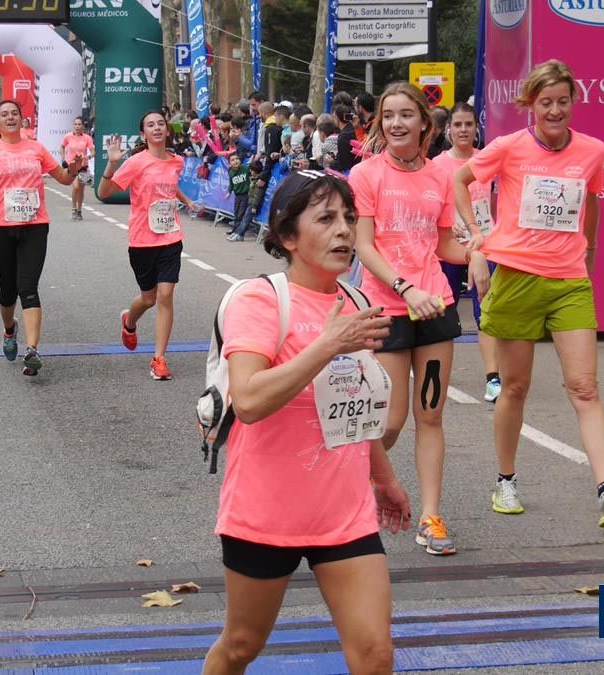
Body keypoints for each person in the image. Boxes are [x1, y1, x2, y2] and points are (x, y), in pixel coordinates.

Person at [202, 169, 408, 675]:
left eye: (348, 218)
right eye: (326, 219)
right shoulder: (262, 300)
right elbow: (248, 400)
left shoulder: (358, 303)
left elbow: (354, 409)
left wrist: (384, 479)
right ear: (288, 236)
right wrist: (328, 345)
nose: (344, 231)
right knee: (242, 646)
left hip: (343, 514)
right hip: (266, 512)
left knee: (375, 652)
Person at [453, 59, 604, 528]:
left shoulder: (593, 150)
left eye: (562, 101)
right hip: (517, 277)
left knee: (585, 387)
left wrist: (591, 250)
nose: (555, 111)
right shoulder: (510, 147)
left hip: (568, 281)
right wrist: (477, 233)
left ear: (573, 102)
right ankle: (506, 480)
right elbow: (460, 180)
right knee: (514, 387)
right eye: (545, 102)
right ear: (530, 105)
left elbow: (591, 199)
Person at [352, 83, 484, 557]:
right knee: (391, 418)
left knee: (430, 415)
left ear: (425, 124)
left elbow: (443, 243)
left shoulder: (440, 178)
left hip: (437, 309)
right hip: (387, 310)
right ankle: (357, 483)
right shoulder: (365, 175)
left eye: (406, 115)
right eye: (388, 116)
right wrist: (405, 287)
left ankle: (431, 516)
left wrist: (478, 253)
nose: (396, 124)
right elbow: (364, 246)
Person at [0, 100, 85, 376]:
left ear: (22, 120)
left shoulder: (35, 147)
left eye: (15, 114)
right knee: (7, 291)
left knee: (28, 287)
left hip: (35, 225)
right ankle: (10, 330)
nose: (10, 118)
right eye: (4, 115)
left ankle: (32, 351)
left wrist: (74, 168)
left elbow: (64, 179)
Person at [98, 110, 199, 381]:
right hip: (142, 239)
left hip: (170, 236)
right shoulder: (135, 163)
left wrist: (187, 202)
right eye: (150, 125)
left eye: (160, 124)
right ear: (143, 134)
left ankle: (159, 359)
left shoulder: (176, 161)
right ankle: (129, 322)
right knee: (148, 298)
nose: (156, 128)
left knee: (166, 295)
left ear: (167, 130)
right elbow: (103, 193)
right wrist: (112, 164)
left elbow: (170, 185)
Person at [434, 102, 502, 403]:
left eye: (468, 124)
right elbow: (434, 206)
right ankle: (438, 371)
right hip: (451, 245)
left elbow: (497, 200)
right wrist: (450, 226)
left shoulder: (487, 161)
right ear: (448, 130)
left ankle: (493, 377)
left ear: (477, 128)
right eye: (457, 124)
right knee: (444, 308)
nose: (463, 130)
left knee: (485, 308)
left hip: (485, 244)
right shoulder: (437, 165)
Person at [62, 116, 96, 221]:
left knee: (81, 190)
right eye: (75, 124)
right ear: (73, 126)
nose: (77, 126)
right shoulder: (68, 136)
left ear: (83, 126)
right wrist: (63, 158)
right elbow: (62, 146)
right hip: (72, 165)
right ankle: (73, 209)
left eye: (79, 124)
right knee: (75, 187)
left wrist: (88, 156)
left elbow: (93, 152)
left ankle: (79, 210)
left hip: (83, 166)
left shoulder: (87, 138)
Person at [225, 153, 251, 240]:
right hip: (237, 195)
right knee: (236, 213)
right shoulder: (231, 172)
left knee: (241, 214)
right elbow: (231, 183)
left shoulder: (246, 168)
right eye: (232, 160)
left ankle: (238, 233)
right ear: (229, 164)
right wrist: (229, 192)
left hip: (245, 195)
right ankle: (234, 230)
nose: (235, 161)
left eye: (237, 159)